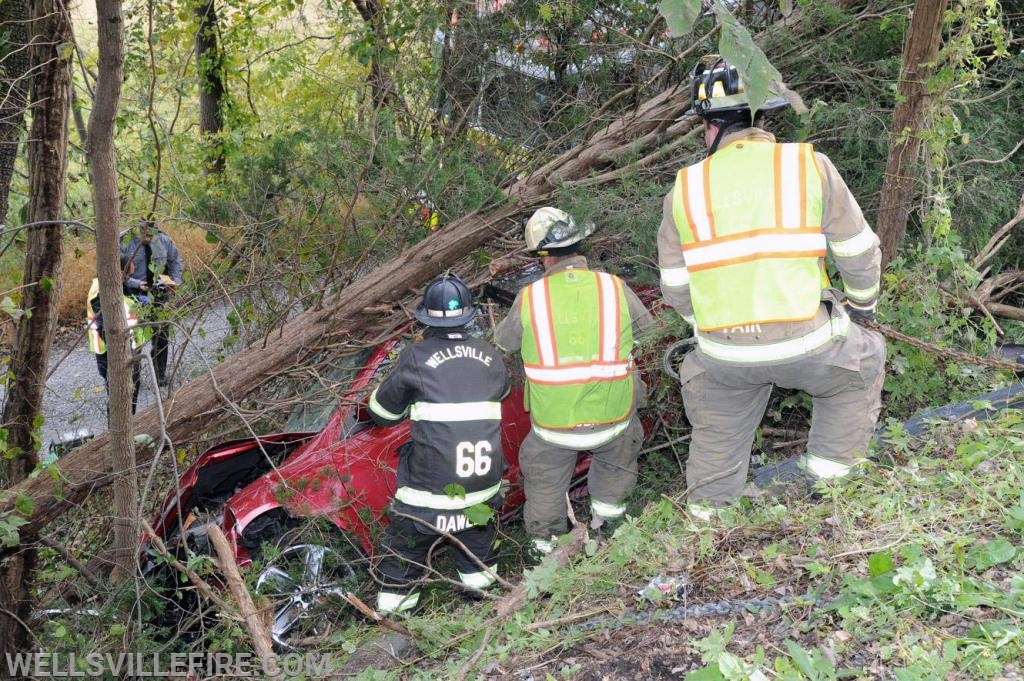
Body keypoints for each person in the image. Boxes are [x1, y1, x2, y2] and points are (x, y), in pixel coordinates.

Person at [657, 55, 886, 517]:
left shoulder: (684, 189)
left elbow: (676, 286)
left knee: (718, 425)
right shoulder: (808, 165)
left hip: (724, 355)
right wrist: (863, 310)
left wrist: (708, 327)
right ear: (763, 116)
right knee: (862, 363)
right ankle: (831, 492)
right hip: (808, 339)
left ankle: (706, 521)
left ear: (709, 126)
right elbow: (858, 251)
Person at [494, 207, 654, 554]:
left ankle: (547, 553)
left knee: (544, 484)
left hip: (554, 426)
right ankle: (611, 534)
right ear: (580, 247)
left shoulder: (530, 298)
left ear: (544, 257)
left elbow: (505, 343)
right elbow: (649, 333)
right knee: (616, 465)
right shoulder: (614, 288)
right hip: (614, 418)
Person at [368, 273, 509, 615]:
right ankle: (483, 609)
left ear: (424, 320)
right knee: (479, 560)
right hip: (483, 489)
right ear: (470, 316)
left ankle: (394, 618)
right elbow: (500, 393)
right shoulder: (490, 354)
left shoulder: (416, 356)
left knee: (402, 555)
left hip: (428, 499)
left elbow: (381, 413)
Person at [86, 253, 150, 414]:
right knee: (119, 398)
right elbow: (105, 327)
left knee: (132, 391)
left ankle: (131, 427)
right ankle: (116, 435)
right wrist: (122, 355)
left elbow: (126, 302)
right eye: (128, 275)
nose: (130, 279)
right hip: (112, 351)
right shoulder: (100, 292)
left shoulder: (115, 284)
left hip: (129, 346)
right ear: (118, 272)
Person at [121, 220, 183, 386]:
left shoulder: (163, 239)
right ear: (137, 230)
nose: (149, 238)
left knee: (161, 333)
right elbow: (117, 273)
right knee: (135, 338)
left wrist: (174, 281)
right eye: (145, 235)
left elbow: (175, 260)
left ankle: (160, 375)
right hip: (134, 295)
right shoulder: (123, 241)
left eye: (152, 235)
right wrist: (135, 284)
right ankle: (133, 380)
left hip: (158, 292)